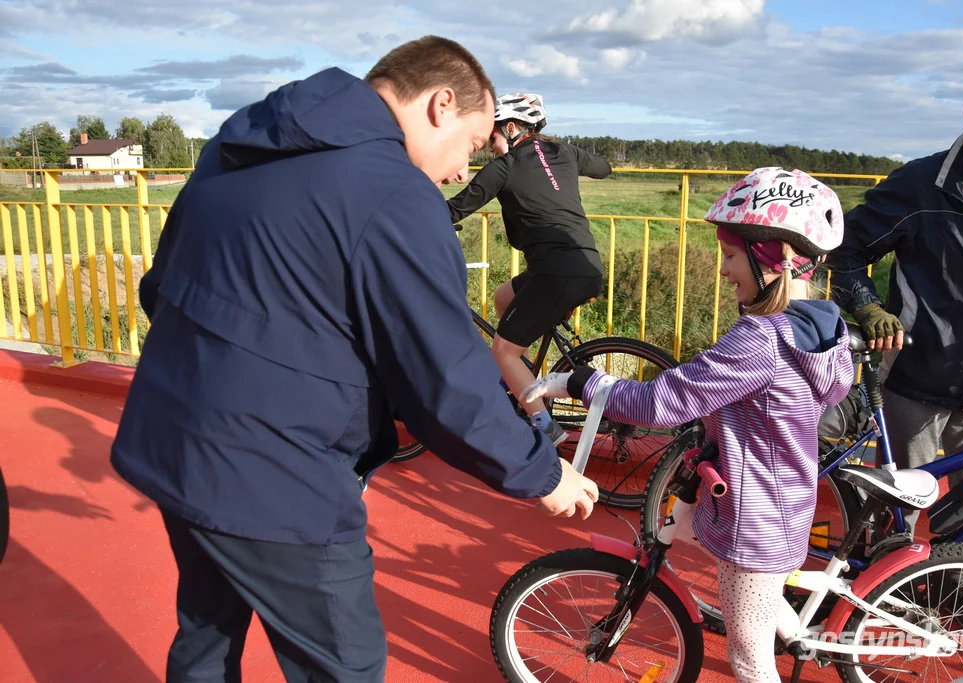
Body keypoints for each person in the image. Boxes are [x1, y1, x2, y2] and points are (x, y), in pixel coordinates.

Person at [109, 36, 598, 683]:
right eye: (473, 146)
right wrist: (543, 472)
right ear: (440, 104)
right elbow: (448, 383)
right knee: (345, 664)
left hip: (169, 435)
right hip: (277, 479)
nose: (461, 171)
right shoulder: (395, 194)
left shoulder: (246, 139)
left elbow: (161, 285)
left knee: (205, 637)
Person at [524, 167, 855, 683]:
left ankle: (780, 631)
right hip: (777, 499)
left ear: (774, 259)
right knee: (745, 585)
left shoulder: (762, 340)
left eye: (729, 255)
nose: (723, 270)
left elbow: (660, 402)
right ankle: (792, 630)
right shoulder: (819, 328)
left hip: (757, 519)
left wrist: (578, 382)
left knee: (749, 661)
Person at [827, 64, 963, 535]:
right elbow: (846, 247)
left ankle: (943, 597)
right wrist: (866, 305)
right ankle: (874, 599)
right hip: (915, 380)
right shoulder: (921, 185)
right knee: (897, 513)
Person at [447, 93, 612, 445]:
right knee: (503, 298)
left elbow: (456, 208)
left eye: (492, 138)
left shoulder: (504, 168)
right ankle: (523, 381)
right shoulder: (565, 151)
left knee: (503, 350)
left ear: (510, 128)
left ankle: (544, 426)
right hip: (584, 265)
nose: (491, 147)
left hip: (554, 274)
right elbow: (604, 168)